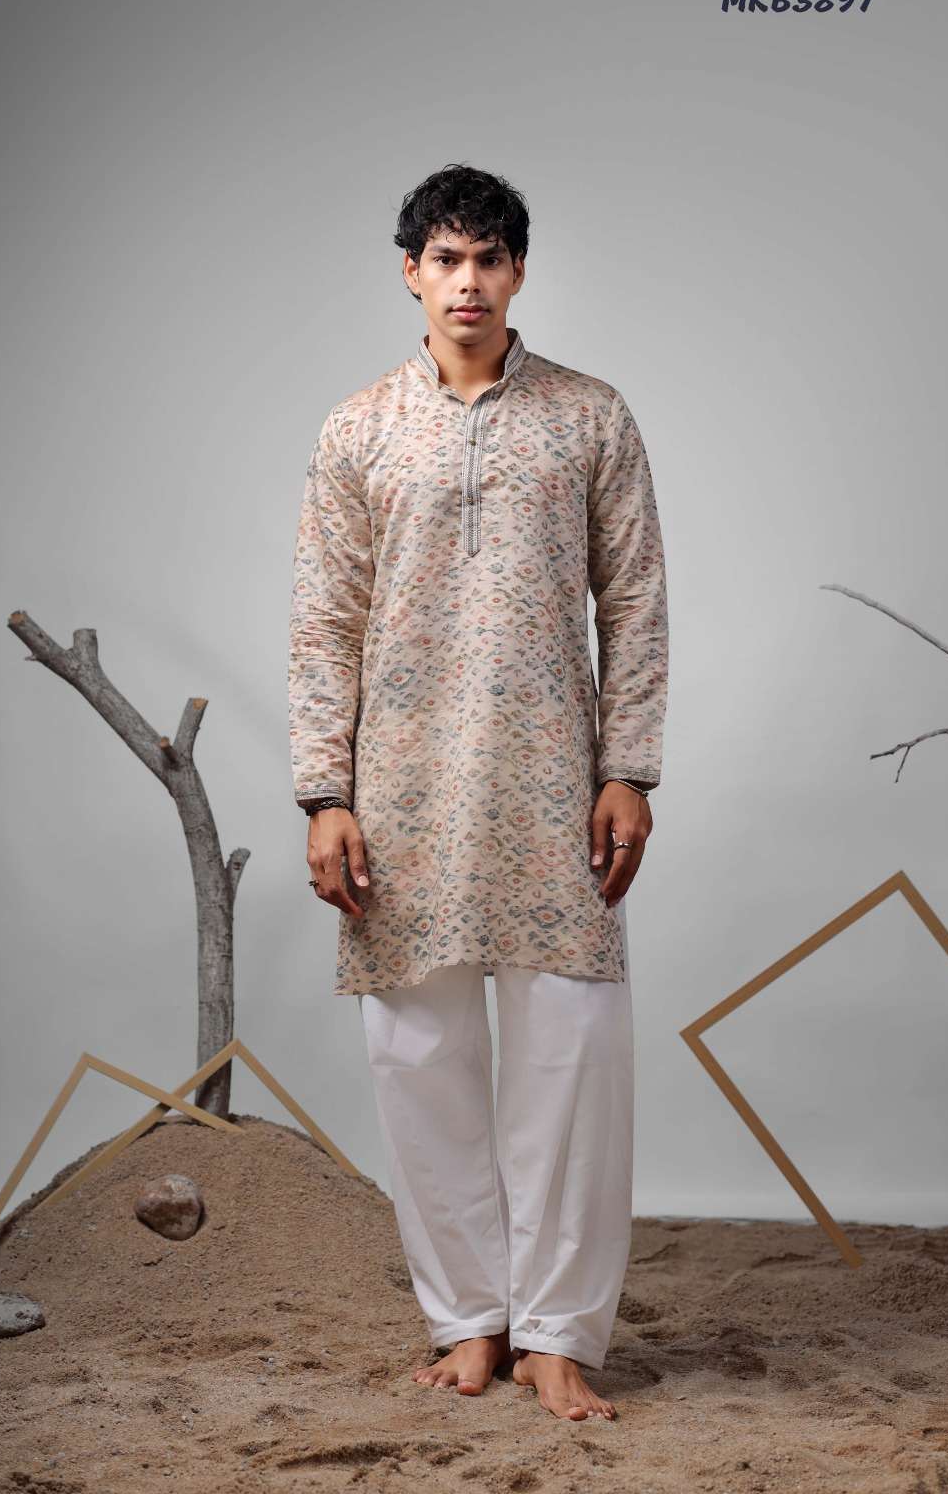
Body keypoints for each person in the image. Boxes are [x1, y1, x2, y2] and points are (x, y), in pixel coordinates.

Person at [288, 163, 669, 1421]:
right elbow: (324, 622)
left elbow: (634, 601)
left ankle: (557, 1332)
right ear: (411, 272)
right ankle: (470, 1318)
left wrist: (627, 767)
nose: (468, 281)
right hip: (400, 791)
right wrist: (323, 792)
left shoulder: (589, 416)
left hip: (554, 783)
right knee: (418, 1057)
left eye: (489, 259)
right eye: (446, 259)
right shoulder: (357, 429)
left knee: (572, 1055)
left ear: (518, 272)